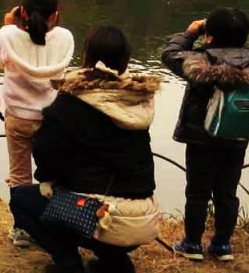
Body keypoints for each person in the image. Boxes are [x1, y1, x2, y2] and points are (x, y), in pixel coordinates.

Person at [10, 26, 160, 273]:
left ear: (86, 57)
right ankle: (115, 262)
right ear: (126, 61)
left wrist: (56, 180)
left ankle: (67, 261)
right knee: (94, 194)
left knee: (22, 199)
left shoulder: (71, 101)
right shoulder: (138, 100)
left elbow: (46, 157)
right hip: (142, 217)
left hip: (101, 217)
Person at [162, 9, 249, 263]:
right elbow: (238, 46)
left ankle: (192, 244)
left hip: (202, 138)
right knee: (227, 192)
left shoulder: (200, 61)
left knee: (197, 193)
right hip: (237, 137)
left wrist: (190, 32)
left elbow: (168, 54)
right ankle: (222, 245)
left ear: (208, 38)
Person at [0, 0, 74, 247]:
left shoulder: (8, 35)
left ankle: (22, 230)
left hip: (17, 118)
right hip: (51, 118)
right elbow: (60, 75)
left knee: (19, 175)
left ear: (21, 11)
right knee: (52, 175)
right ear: (55, 15)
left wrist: (8, 26)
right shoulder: (64, 38)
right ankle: (53, 223)